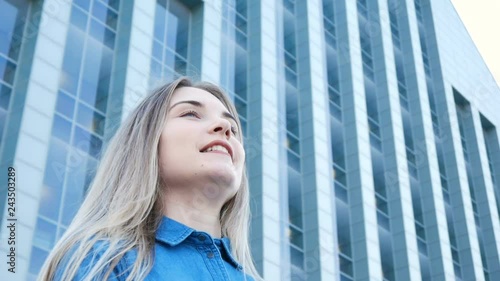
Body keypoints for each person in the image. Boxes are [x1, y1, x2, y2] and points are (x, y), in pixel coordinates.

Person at [38, 77, 261, 280]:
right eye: (190, 114)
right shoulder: (104, 261)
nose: (225, 129)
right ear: (147, 142)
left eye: (233, 127)